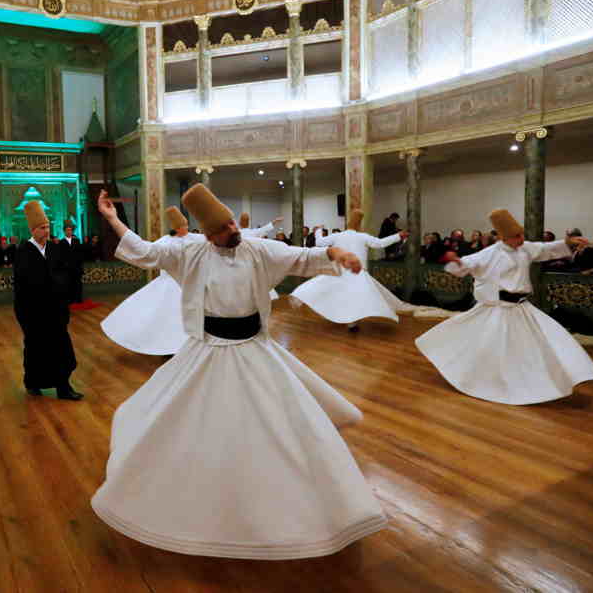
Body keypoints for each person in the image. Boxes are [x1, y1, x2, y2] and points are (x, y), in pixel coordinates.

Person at [91, 186, 386, 559]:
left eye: (232, 223)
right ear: (208, 233)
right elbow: (147, 252)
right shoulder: (189, 250)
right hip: (209, 348)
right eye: (224, 228)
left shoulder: (257, 248)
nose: (232, 230)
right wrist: (114, 220)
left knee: (278, 419)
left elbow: (301, 257)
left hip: (254, 348)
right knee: (188, 415)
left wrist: (336, 252)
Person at [415, 209, 593, 405]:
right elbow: (465, 266)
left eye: (521, 234)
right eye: (516, 236)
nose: (521, 238)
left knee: (548, 339)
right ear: (504, 237)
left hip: (521, 308)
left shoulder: (526, 248)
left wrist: (568, 243)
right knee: (491, 347)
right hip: (499, 309)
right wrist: (455, 262)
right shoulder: (489, 254)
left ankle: (542, 378)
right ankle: (490, 380)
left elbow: (546, 249)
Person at [101, 207, 206, 355]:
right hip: (169, 284)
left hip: (189, 286)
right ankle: (169, 347)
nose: (185, 229)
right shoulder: (166, 243)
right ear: (175, 228)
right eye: (181, 227)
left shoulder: (194, 238)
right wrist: (114, 219)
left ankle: (188, 347)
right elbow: (145, 250)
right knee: (166, 319)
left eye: (186, 226)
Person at [291, 209, 411, 331]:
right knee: (353, 298)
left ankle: (345, 319)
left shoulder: (338, 235)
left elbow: (319, 242)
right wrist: (397, 236)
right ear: (359, 223)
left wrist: (318, 231)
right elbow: (380, 243)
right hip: (357, 272)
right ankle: (350, 323)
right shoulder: (362, 236)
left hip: (339, 271)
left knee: (339, 295)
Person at [14, 201, 82, 400]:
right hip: (34, 313)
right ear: (33, 230)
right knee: (36, 349)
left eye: (48, 227)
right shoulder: (23, 252)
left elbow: (64, 273)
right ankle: (33, 383)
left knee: (62, 349)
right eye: (42, 228)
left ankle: (64, 387)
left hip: (56, 311)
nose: (46, 231)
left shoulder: (54, 249)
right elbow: (23, 285)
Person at [58, 220, 85, 305]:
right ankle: (70, 299)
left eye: (70, 230)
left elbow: (80, 254)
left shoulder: (76, 241)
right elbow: (60, 256)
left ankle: (78, 299)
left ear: (72, 231)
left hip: (77, 267)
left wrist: (80, 265)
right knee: (69, 284)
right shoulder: (61, 242)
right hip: (67, 268)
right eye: (67, 230)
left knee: (78, 283)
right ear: (64, 231)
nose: (69, 232)